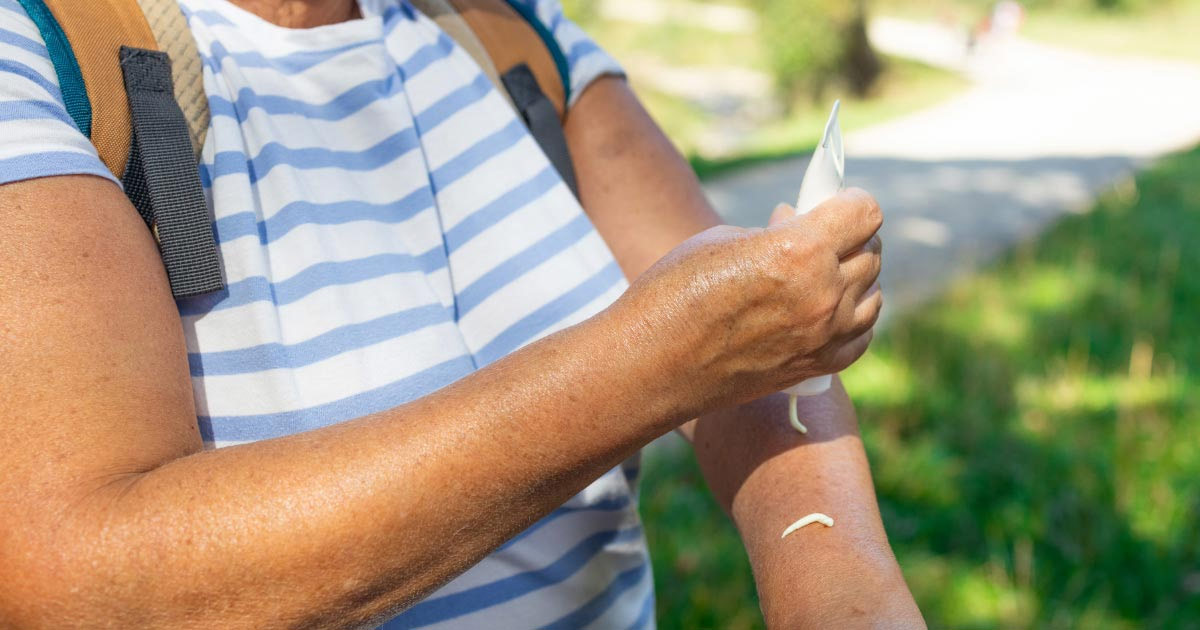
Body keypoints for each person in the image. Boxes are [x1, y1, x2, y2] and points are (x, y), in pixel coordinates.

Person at [0, 0, 922, 627]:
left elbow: (748, 330)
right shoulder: (38, 52)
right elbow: (78, 581)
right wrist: (646, 366)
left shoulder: (508, 27)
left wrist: (838, 589)